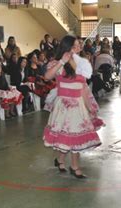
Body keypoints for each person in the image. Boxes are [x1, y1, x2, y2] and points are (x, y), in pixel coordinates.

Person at [43, 35, 102, 179]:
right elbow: (47, 77)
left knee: (75, 136)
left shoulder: (81, 63)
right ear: (67, 47)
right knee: (67, 136)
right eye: (75, 45)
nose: (79, 48)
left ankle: (63, 161)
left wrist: (89, 106)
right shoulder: (57, 63)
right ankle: (72, 165)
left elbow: (83, 87)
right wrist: (62, 61)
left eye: (79, 45)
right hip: (63, 105)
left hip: (78, 105)